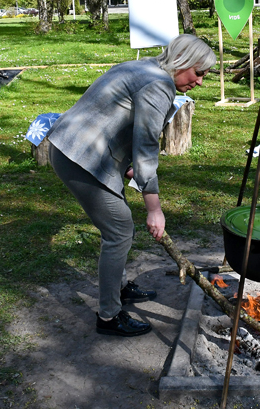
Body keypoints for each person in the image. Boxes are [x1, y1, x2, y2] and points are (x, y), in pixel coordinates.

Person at [46, 34, 216, 336]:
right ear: (183, 62)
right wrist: (154, 210)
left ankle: (121, 288)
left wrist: (127, 168)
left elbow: (112, 116)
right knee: (120, 229)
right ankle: (109, 317)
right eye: (199, 73)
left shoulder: (144, 67)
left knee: (116, 226)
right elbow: (147, 147)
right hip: (79, 157)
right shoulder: (159, 85)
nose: (200, 82)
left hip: (75, 147)